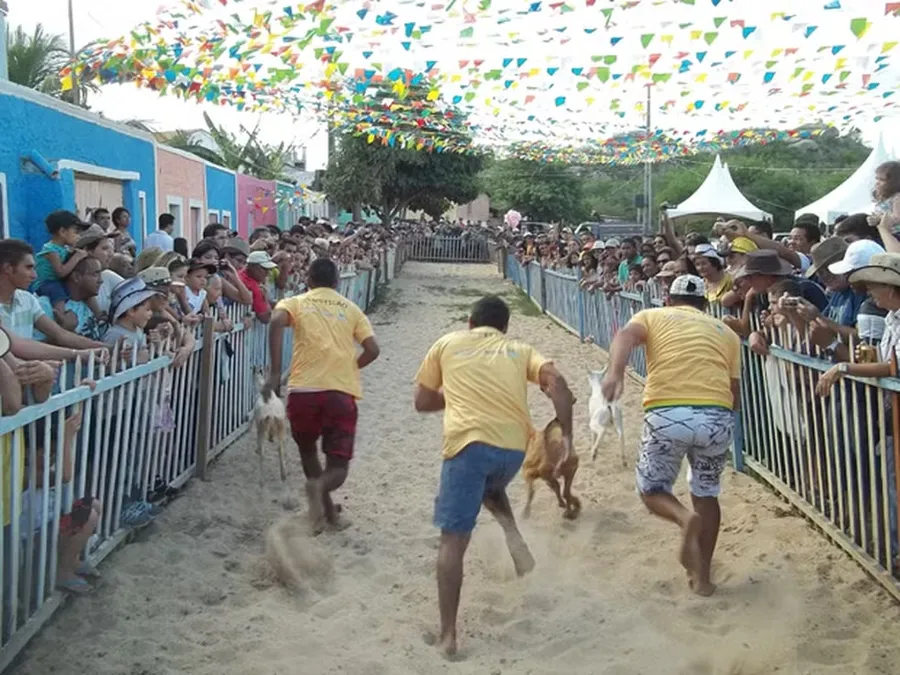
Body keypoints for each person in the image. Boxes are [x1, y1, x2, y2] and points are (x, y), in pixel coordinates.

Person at [414, 295, 573, 658]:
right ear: (504, 328)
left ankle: (448, 635)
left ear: (470, 323)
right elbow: (559, 385)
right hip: (513, 451)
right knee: (489, 485)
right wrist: (567, 438)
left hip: (468, 445)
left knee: (452, 541)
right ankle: (514, 537)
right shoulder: (519, 348)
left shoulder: (447, 342)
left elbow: (421, 402)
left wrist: (452, 395)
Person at [601, 275, 740, 597]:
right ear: (705, 305)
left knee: (652, 489)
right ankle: (702, 578)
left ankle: (682, 517)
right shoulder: (726, 332)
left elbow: (624, 336)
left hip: (668, 412)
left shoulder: (652, 315)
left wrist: (615, 372)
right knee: (707, 492)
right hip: (716, 415)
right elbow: (735, 390)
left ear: (668, 299)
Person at [265, 258, 381, 533]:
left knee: (308, 452)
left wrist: (273, 372)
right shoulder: (351, 309)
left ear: (309, 280)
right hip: (340, 392)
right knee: (337, 466)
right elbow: (374, 350)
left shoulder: (298, 302)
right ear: (337, 282)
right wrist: (352, 366)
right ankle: (322, 497)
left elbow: (276, 320)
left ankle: (324, 512)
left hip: (303, 390)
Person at [33, 210, 90, 316]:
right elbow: (61, 272)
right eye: (76, 232)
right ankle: (60, 315)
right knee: (58, 291)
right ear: (62, 232)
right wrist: (77, 257)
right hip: (46, 283)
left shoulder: (63, 249)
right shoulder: (51, 250)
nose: (78, 236)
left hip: (56, 281)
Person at [239, 251, 277, 323]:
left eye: (269, 270)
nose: (268, 273)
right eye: (265, 269)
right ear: (252, 266)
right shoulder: (253, 286)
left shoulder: (240, 274)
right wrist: (265, 299)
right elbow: (265, 318)